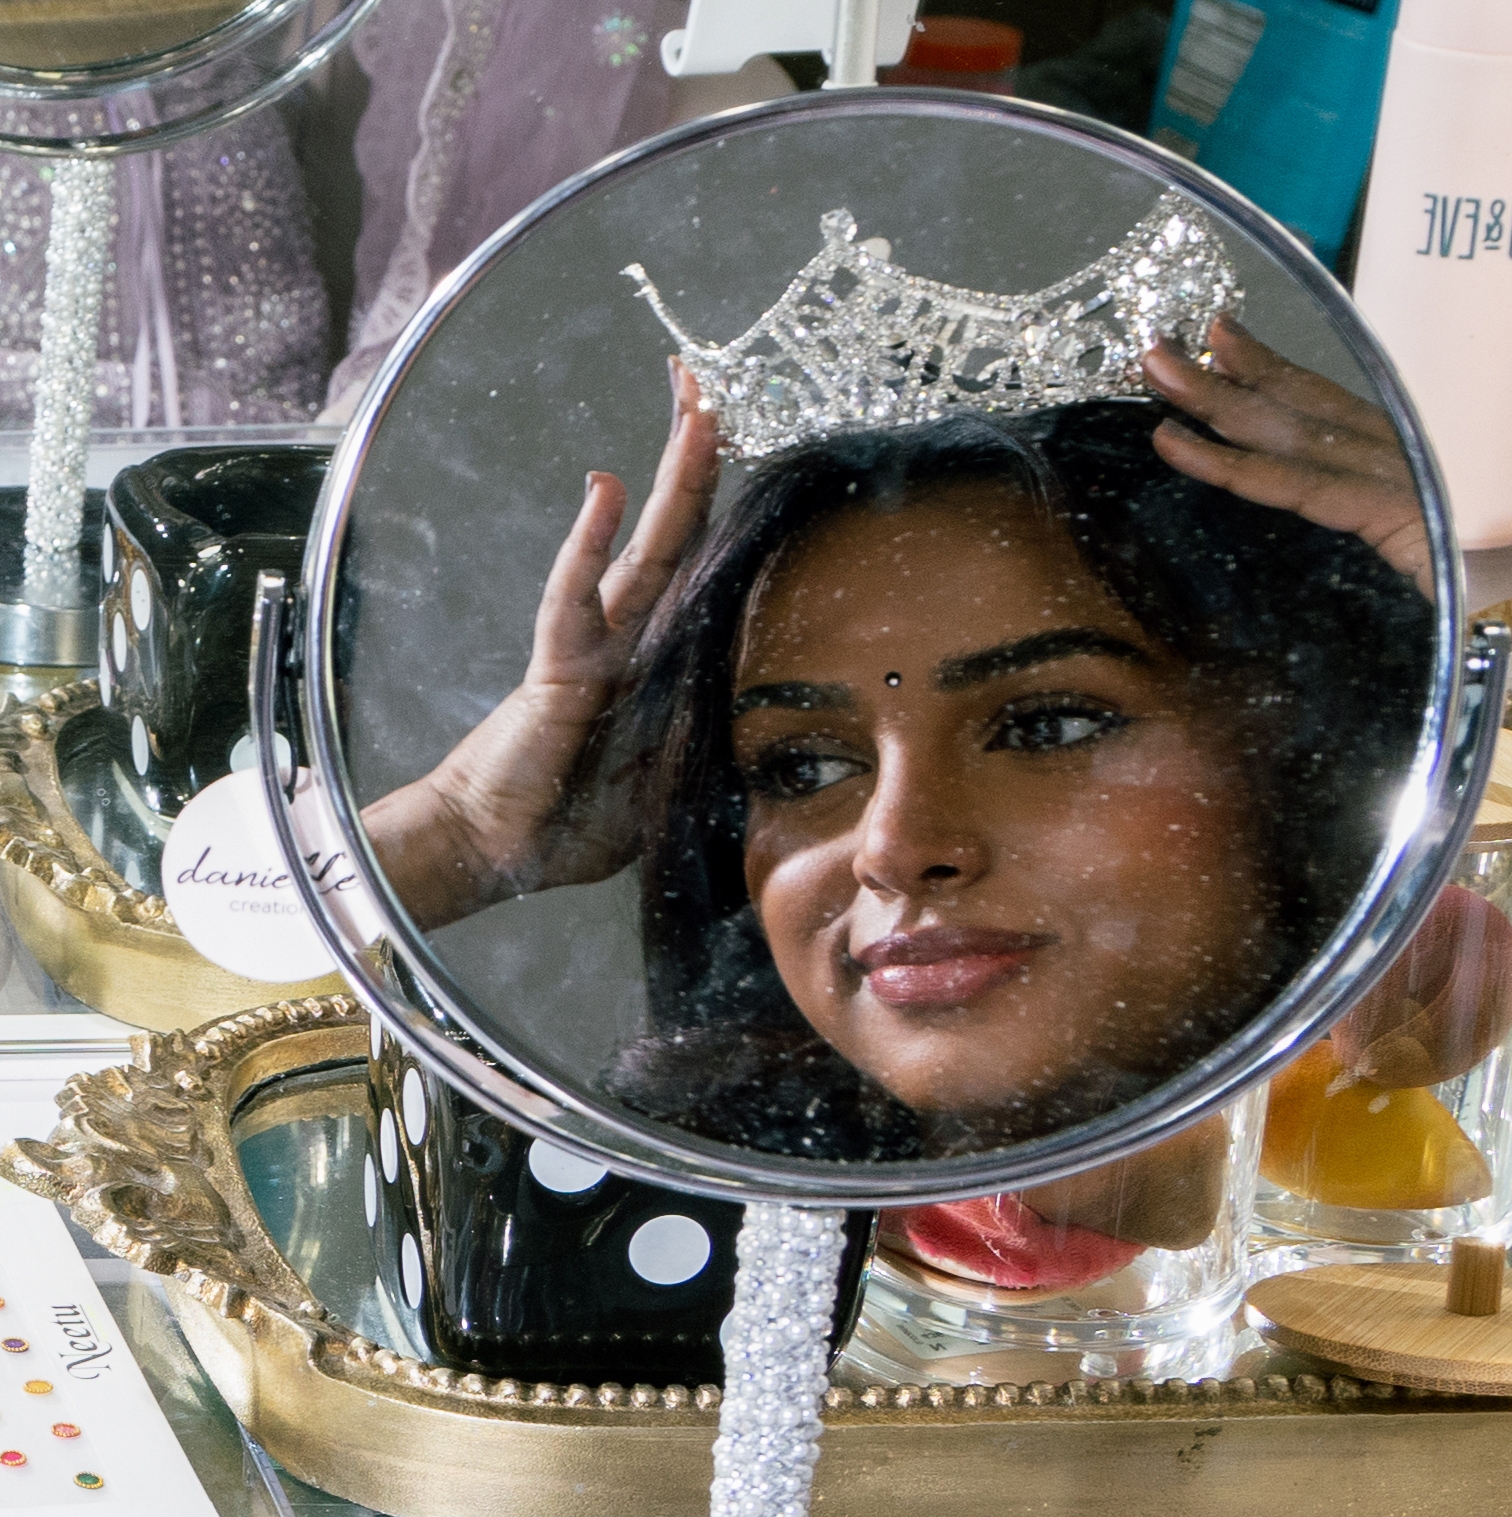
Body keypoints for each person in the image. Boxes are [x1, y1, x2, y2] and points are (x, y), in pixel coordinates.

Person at [367, 320, 1447, 1177]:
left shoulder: (1449, 1215)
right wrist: (455, 835)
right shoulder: (651, 1249)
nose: (895, 846)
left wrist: (1466, 650)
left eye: (1045, 726)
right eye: (802, 764)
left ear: (1298, 755)